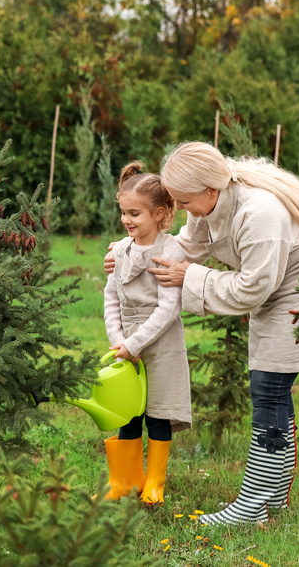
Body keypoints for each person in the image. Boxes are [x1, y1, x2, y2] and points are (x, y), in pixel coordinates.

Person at [103, 141, 299, 526]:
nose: (182, 209)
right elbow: (188, 247)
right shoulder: (209, 202)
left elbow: (252, 288)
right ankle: (273, 498)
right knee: (271, 387)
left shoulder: (260, 214)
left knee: (269, 386)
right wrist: (131, 251)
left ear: (210, 190)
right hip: (273, 280)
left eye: (185, 200)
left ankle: (254, 504)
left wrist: (190, 277)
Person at [101, 161, 191, 506]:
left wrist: (136, 342)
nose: (127, 220)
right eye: (124, 212)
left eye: (135, 213)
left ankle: (154, 483)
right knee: (129, 411)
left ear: (160, 214)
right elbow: (111, 297)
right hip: (126, 342)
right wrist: (119, 341)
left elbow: (169, 309)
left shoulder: (170, 251)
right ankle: (124, 480)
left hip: (162, 343)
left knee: (157, 411)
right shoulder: (119, 250)